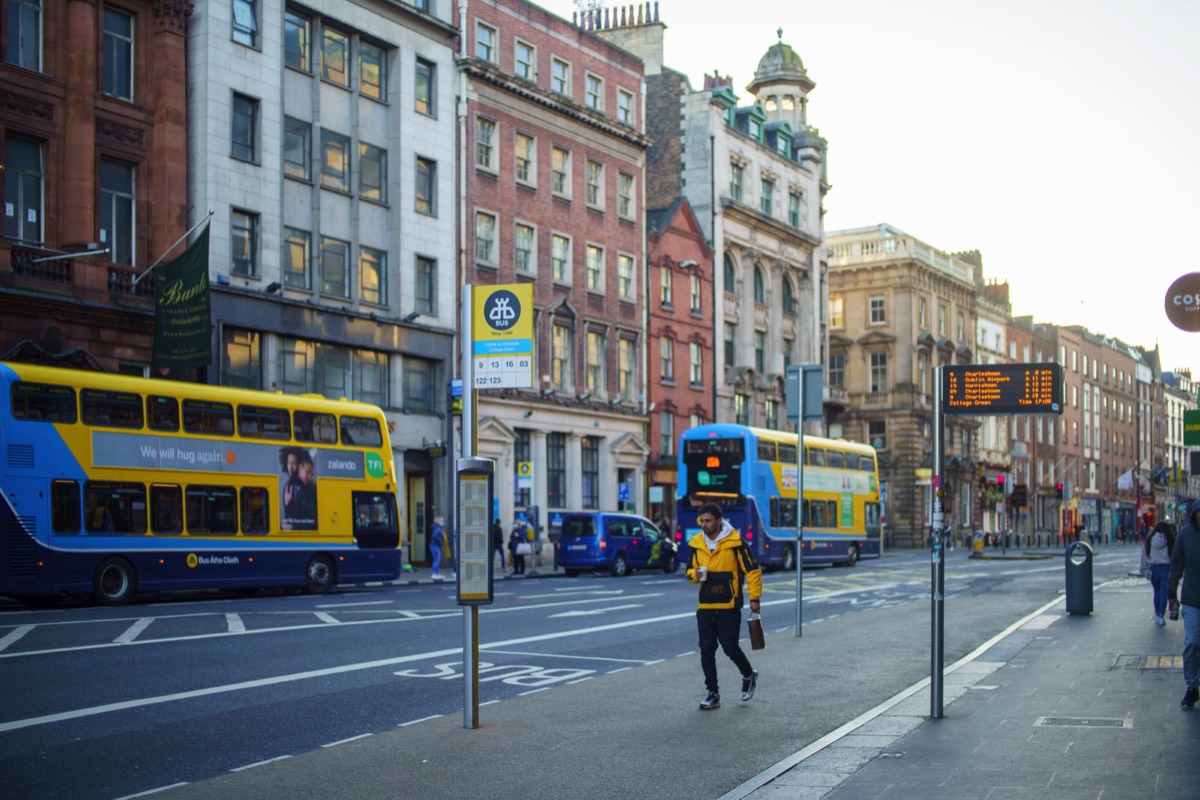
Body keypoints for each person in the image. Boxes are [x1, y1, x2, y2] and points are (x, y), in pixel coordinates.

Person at [686, 503, 762, 710]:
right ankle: (713, 693)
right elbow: (689, 572)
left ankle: (748, 674)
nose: (704, 525)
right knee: (706, 650)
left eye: (708, 520)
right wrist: (695, 575)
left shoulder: (735, 542)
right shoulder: (697, 543)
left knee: (730, 647)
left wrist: (755, 598)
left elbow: (753, 570)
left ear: (719, 521)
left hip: (729, 604)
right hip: (706, 605)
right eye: (702, 521)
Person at [1169, 499, 1200, 709]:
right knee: (1192, 642)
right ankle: (1192, 686)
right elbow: (1176, 563)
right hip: (1191, 598)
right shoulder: (1185, 535)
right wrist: (1171, 593)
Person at [1140, 522, 1175, 625]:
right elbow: (1174, 556)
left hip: (1153, 568)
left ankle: (1157, 613)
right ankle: (1161, 616)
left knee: (1156, 592)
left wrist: (1144, 569)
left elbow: (1144, 556)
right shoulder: (1170, 540)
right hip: (1166, 568)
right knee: (1163, 593)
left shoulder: (1150, 540)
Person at [429, 516, 446, 581]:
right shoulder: (437, 528)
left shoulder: (437, 527)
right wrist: (440, 542)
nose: (442, 522)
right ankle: (434, 574)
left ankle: (437, 574)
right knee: (436, 560)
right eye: (441, 520)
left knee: (437, 560)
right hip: (435, 545)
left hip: (435, 545)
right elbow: (435, 536)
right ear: (437, 521)